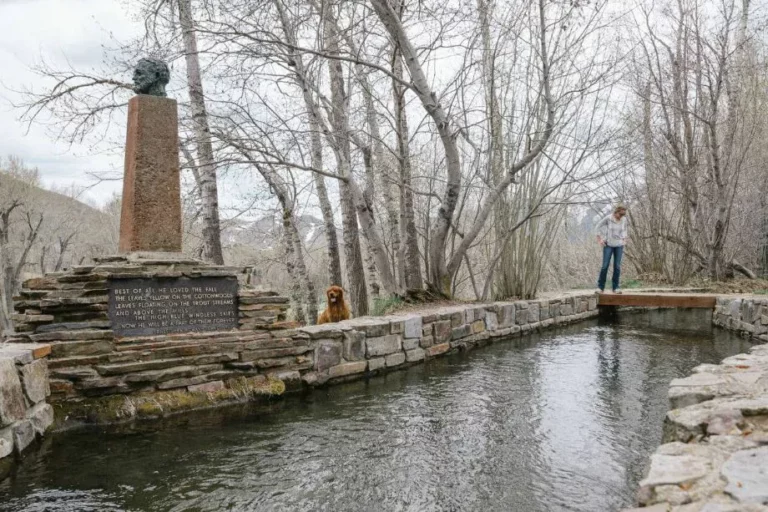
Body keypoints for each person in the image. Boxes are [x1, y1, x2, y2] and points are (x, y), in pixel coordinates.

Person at [594, 203, 628, 294]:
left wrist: (624, 239)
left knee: (617, 266)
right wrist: (600, 239)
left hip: (619, 245)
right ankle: (600, 287)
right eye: (620, 214)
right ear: (616, 212)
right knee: (605, 266)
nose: (621, 216)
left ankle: (615, 287)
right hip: (608, 245)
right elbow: (597, 226)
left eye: (623, 215)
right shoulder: (608, 218)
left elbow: (624, 229)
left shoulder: (624, 219)